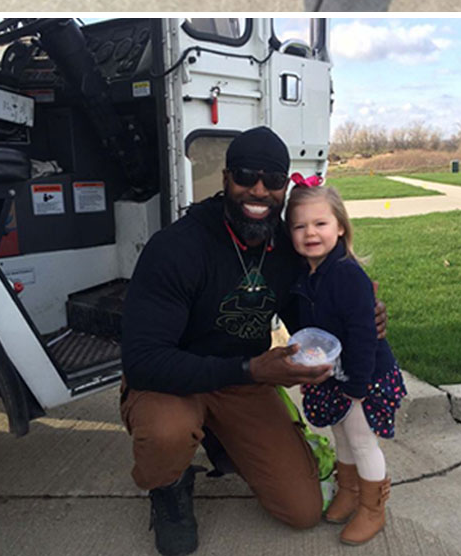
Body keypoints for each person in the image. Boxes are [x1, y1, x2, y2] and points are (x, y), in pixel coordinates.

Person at [120, 127, 387, 556]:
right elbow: (142, 361)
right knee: (167, 433)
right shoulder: (176, 247)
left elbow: (308, 314)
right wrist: (251, 369)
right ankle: (168, 486)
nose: (258, 190)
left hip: (242, 382)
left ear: (285, 186)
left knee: (302, 511)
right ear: (226, 178)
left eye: (273, 180)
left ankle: (224, 439)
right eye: (245, 175)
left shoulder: (285, 246)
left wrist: (359, 317)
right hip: (173, 382)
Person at [286, 182, 406, 545]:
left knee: (362, 440)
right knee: (340, 435)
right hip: (334, 375)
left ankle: (373, 508)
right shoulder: (307, 274)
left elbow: (363, 334)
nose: (310, 233)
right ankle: (349, 491)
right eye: (299, 226)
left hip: (362, 376)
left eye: (320, 224)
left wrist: (358, 385)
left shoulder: (347, 274)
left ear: (340, 227)